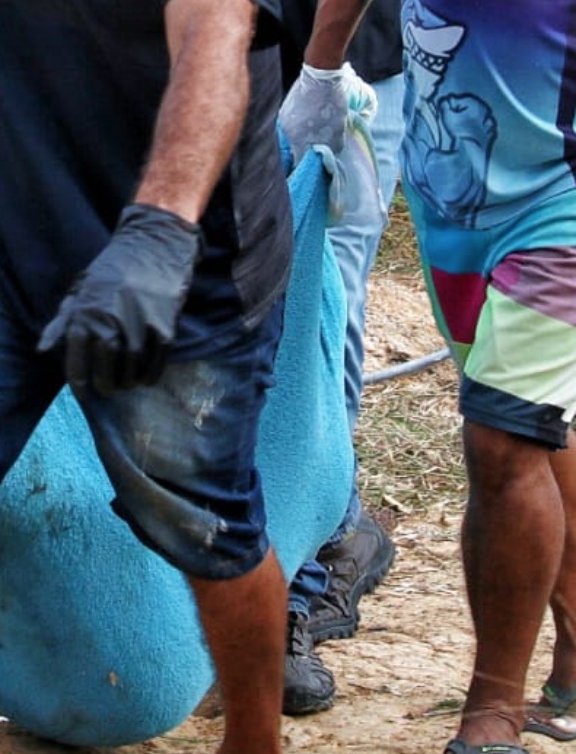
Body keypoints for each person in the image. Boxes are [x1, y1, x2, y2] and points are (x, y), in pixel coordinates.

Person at [0, 1, 369, 753]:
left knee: (204, 526)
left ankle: (253, 743)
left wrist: (159, 228)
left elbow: (215, 34)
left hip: (189, 246)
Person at [398, 1, 576, 752]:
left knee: (501, 442)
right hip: (450, 204)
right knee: (538, 429)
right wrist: (319, 68)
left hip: (559, 206)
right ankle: (573, 665)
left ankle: (489, 715)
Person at [277, 0, 401, 715]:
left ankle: (305, 574)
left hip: (350, 52)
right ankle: (340, 523)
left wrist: (322, 67)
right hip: (214, 47)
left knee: (325, 293)